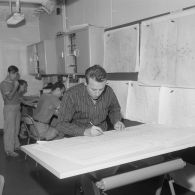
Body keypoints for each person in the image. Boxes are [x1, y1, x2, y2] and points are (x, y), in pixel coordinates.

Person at [56, 65, 125, 195]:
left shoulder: (108, 91)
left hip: (101, 137)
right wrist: (85, 132)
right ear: (85, 83)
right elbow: (61, 124)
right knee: (87, 173)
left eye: (101, 89)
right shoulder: (71, 95)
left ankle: (99, 185)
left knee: (112, 165)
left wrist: (116, 121)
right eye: (93, 89)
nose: (98, 93)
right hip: (79, 140)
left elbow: (114, 108)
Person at [0, 65, 21, 157]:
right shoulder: (4, 83)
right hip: (10, 108)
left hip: (16, 107)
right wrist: (16, 87)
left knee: (16, 128)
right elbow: (9, 97)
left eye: (16, 74)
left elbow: (16, 95)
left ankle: (16, 145)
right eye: (14, 74)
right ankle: (9, 150)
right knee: (10, 130)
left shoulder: (14, 82)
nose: (15, 76)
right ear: (9, 73)